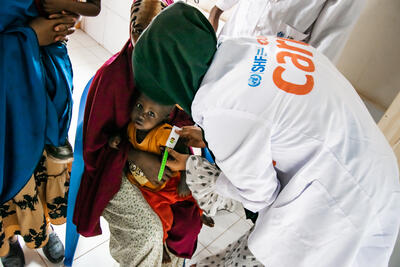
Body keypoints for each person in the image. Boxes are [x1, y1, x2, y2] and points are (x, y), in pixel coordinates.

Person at [131, 2, 400, 266]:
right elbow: (269, 116)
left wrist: (204, 170)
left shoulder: (223, 111)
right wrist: (215, 137)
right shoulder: (251, 49)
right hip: (374, 176)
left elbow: (260, 195)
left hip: (338, 210)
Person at [72, 1, 204, 266]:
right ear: (130, 26)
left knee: (188, 220)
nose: (143, 39)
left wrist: (185, 171)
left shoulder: (172, 70)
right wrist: (136, 157)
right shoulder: (112, 76)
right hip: (114, 167)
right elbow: (95, 148)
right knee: (148, 232)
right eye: (138, 27)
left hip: (164, 164)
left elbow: (182, 130)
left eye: (154, 29)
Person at [0, 1, 78, 266]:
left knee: (42, 163)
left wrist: (61, 19)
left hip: (41, 71)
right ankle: (9, 237)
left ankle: (42, 231)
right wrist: (28, 38)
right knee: (7, 160)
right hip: (6, 79)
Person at [108, 93, 214, 263]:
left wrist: (184, 179)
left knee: (192, 201)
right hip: (149, 189)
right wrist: (116, 140)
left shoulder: (163, 134)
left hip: (168, 184)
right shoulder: (130, 127)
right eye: (139, 106)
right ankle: (161, 244)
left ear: (164, 118)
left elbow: (184, 150)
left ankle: (200, 214)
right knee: (163, 218)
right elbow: (123, 140)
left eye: (151, 114)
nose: (142, 114)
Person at [39, 0, 101, 163]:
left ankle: (57, 138)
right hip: (24, 34)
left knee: (62, 88)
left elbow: (94, 8)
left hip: (56, 41)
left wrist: (63, 4)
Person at [208, 0, 365, 62]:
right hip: (226, 44)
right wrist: (216, 12)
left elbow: (323, 50)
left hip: (268, 72)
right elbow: (219, 8)